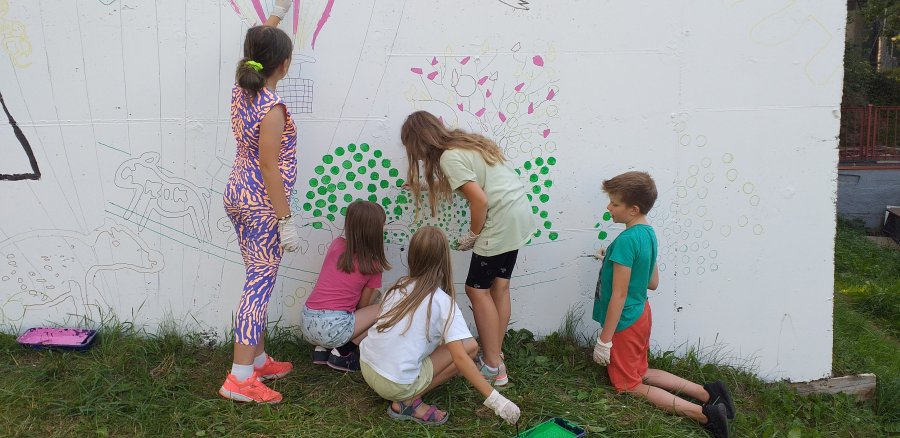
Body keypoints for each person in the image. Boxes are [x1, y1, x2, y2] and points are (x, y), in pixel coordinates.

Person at [592, 171, 735, 437]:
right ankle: (709, 393)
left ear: (632, 209)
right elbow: (652, 281)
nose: (608, 208)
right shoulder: (647, 233)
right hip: (641, 314)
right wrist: (610, 260)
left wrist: (605, 340)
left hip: (623, 321)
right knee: (641, 370)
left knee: (628, 384)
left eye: (614, 203)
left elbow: (618, 297)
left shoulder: (626, 240)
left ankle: (706, 415)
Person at [399, 110, 536, 387]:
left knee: (476, 289)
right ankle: (495, 355)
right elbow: (469, 183)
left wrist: (473, 235)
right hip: (518, 214)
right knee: (499, 286)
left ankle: (493, 366)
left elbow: (479, 200)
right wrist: (426, 187)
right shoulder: (463, 145)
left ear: (418, 142)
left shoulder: (449, 157)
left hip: (498, 219)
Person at [218, 1, 301, 404]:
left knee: (256, 277)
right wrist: (285, 219)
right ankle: (239, 379)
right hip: (262, 203)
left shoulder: (243, 88)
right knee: (258, 286)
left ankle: (259, 359)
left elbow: (258, 47)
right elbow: (270, 166)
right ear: (283, 65)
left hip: (238, 193)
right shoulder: (272, 109)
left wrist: (278, 14)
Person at [359, 226, 521, 426]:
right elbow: (461, 358)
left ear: (412, 256)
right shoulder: (443, 302)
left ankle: (405, 390)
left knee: (459, 346)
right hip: (395, 385)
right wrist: (498, 401)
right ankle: (408, 402)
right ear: (444, 260)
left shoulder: (398, 286)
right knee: (469, 346)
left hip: (367, 366)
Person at [301, 200, 390, 372]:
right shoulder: (373, 265)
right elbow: (362, 307)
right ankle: (342, 353)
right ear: (374, 231)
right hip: (334, 327)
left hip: (307, 321)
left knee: (335, 309)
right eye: (383, 224)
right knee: (387, 309)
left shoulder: (337, 245)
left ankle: (322, 350)